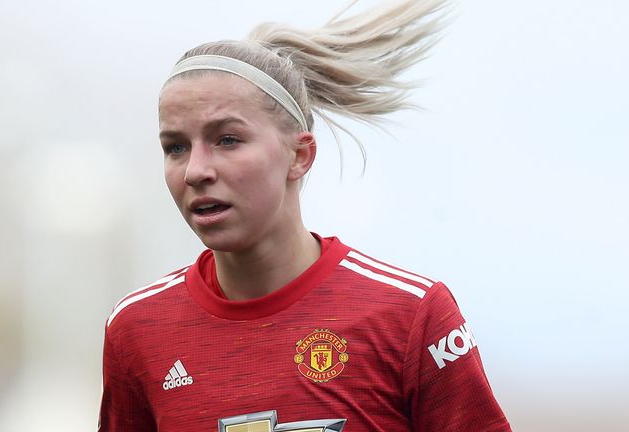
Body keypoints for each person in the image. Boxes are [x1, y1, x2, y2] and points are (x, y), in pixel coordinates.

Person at [99, 0, 511, 430]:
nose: (196, 171)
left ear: (299, 155)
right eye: (175, 147)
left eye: (227, 140)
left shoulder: (411, 315)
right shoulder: (137, 328)